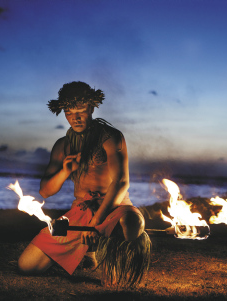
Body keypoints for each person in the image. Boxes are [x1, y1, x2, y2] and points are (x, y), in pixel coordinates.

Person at [18, 81, 151, 286]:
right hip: (79, 212)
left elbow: (122, 182)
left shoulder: (110, 137)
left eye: (80, 111)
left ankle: (100, 252)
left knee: (132, 225)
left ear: (91, 108)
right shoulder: (62, 145)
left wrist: (95, 224)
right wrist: (65, 171)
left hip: (114, 208)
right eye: (69, 112)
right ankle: (83, 252)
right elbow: (45, 191)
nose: (75, 118)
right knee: (27, 266)